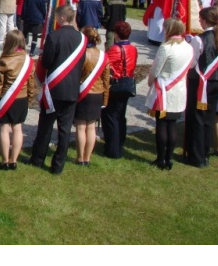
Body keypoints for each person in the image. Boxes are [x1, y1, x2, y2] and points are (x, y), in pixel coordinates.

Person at [29, 4, 87, 175]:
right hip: (71, 90)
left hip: (54, 89)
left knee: (45, 126)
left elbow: (46, 62)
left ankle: (38, 159)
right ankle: (58, 165)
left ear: (62, 18)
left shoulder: (54, 37)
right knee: (65, 129)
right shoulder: (82, 38)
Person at [184, 7, 218, 168]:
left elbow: (193, 63)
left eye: (201, 19)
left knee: (197, 118)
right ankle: (205, 153)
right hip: (216, 83)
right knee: (209, 119)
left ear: (204, 20)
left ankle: (196, 156)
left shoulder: (199, 39)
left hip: (200, 83)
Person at [146, 18, 193, 170]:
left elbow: (155, 69)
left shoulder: (166, 48)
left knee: (162, 125)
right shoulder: (188, 47)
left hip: (164, 90)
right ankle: (169, 158)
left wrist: (150, 81)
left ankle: (161, 159)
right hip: (178, 91)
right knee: (171, 125)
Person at [0, 29, 37, 170]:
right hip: (21, 99)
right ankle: (13, 160)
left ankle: (4, 161)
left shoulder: (4, 61)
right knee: (17, 128)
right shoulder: (29, 61)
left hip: (6, 99)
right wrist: (30, 100)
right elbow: (31, 83)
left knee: (4, 129)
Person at [73, 26, 110, 166]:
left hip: (83, 93)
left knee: (81, 127)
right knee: (91, 128)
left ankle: (79, 157)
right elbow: (106, 80)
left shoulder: (81, 54)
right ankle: (87, 158)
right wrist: (105, 99)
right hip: (97, 94)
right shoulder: (103, 56)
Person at [101, 21, 138, 159]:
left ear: (116, 34)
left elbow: (105, 65)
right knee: (120, 115)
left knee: (111, 117)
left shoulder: (115, 50)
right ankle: (120, 142)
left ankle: (112, 149)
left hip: (116, 85)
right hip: (127, 83)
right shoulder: (133, 49)